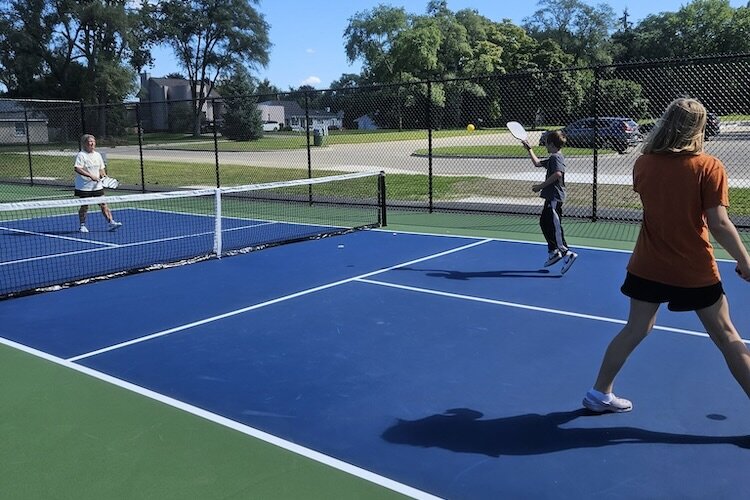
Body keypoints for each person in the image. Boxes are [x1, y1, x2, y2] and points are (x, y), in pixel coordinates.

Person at [583, 98, 750, 413]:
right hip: (693, 269)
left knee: (635, 328)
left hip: (648, 265)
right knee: (727, 336)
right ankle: (599, 394)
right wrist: (745, 260)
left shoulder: (643, 162)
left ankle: (599, 392)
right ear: (698, 128)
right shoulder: (708, 166)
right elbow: (719, 223)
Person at [522, 130, 577, 274]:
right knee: (544, 222)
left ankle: (566, 253)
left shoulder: (556, 158)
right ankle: (553, 252)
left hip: (554, 197)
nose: (545, 145)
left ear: (551, 144)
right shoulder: (553, 158)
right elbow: (537, 163)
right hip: (550, 197)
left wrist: (540, 186)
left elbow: (558, 174)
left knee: (554, 225)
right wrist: (529, 149)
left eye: (546, 143)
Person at [73, 134, 122, 233]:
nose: (92, 143)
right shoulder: (81, 155)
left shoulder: (97, 155)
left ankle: (111, 222)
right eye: (90, 142)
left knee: (103, 204)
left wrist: (104, 176)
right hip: (84, 186)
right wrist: (90, 176)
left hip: (97, 186)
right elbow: (77, 168)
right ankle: (82, 225)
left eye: (93, 141)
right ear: (85, 143)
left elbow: (101, 169)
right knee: (85, 206)